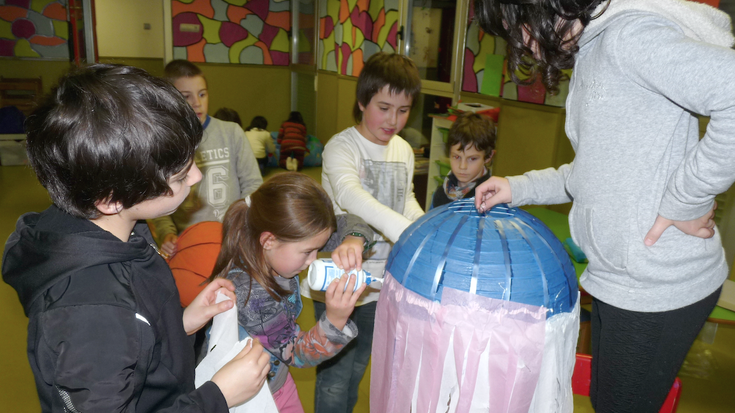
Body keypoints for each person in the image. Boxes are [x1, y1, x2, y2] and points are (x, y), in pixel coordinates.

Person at [472, 1, 732, 411]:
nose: (524, 44)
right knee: (606, 398)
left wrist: (688, 197)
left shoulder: (627, 38)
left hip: (657, 283)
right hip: (618, 276)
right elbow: (588, 176)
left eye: (520, 25)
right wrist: (516, 187)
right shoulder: (594, 52)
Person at [1, 64, 271, 413]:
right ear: (112, 197)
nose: (196, 176)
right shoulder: (89, 314)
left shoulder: (124, 227)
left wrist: (182, 322)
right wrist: (217, 397)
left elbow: (134, 336)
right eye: (179, 174)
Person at [310, 52, 425, 413]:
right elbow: (349, 195)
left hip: (380, 281)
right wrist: (407, 230)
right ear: (362, 102)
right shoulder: (342, 146)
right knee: (334, 375)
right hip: (338, 279)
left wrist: (427, 231)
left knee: (359, 368)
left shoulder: (403, 149)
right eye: (384, 107)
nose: (393, 120)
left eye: (403, 110)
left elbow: (405, 200)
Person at [208, 172, 372, 413]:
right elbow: (296, 353)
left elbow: (350, 221)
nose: (312, 261)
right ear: (268, 241)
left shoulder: (280, 247)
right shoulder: (249, 293)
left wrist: (354, 240)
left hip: (277, 382)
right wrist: (335, 319)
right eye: (307, 252)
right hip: (250, 399)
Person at [150, 60, 263, 258]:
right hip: (190, 243)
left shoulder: (231, 133)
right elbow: (158, 199)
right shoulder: (164, 142)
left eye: (202, 94)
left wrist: (242, 224)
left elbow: (253, 185)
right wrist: (167, 233)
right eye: (187, 96)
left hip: (232, 238)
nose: (197, 103)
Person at [431, 111, 496, 209]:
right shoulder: (440, 194)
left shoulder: (491, 198)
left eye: (472, 159)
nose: (462, 166)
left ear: (488, 156)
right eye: (456, 157)